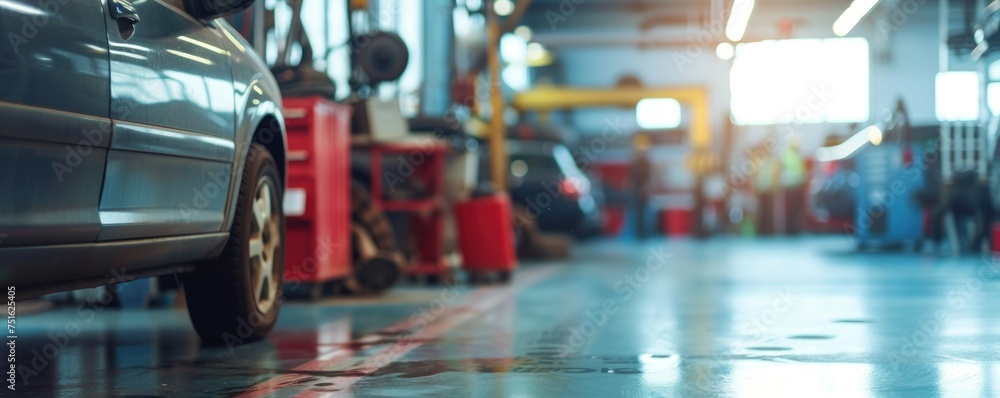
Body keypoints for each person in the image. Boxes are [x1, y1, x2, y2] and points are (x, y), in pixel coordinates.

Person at [630, 133, 653, 240]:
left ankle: (643, 233)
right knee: (638, 211)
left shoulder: (645, 161)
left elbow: (648, 176)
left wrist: (647, 187)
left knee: (643, 211)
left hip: (642, 188)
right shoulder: (635, 161)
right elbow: (631, 175)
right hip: (636, 189)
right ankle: (639, 233)